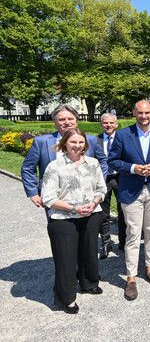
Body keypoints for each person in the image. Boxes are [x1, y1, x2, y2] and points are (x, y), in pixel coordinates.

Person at [108, 100, 150, 301]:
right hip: (131, 191)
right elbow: (113, 161)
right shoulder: (122, 134)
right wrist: (132, 168)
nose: (144, 116)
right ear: (134, 113)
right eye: (140, 113)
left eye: (147, 113)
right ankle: (131, 278)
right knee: (133, 233)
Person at [40, 128, 107, 314]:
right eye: (72, 142)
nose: (77, 146)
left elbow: (101, 189)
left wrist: (93, 203)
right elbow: (48, 198)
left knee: (88, 253)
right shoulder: (55, 166)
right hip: (63, 218)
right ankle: (67, 298)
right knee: (66, 260)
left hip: (91, 215)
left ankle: (89, 283)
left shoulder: (93, 164)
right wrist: (74, 208)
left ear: (85, 144)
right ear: (64, 143)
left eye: (80, 142)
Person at [22, 105, 107, 215]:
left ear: (76, 121)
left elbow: (103, 162)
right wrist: (33, 193)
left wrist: (99, 182)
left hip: (86, 198)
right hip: (55, 199)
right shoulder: (41, 142)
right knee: (60, 230)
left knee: (88, 230)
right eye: (62, 119)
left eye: (70, 119)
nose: (67, 122)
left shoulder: (90, 140)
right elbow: (28, 168)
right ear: (55, 122)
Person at [97, 113, 125, 258]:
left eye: (111, 123)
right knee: (103, 213)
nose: (108, 125)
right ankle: (106, 243)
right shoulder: (96, 140)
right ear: (101, 124)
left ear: (116, 124)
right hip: (104, 179)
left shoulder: (123, 139)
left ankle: (123, 241)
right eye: (105, 123)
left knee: (123, 211)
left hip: (121, 178)